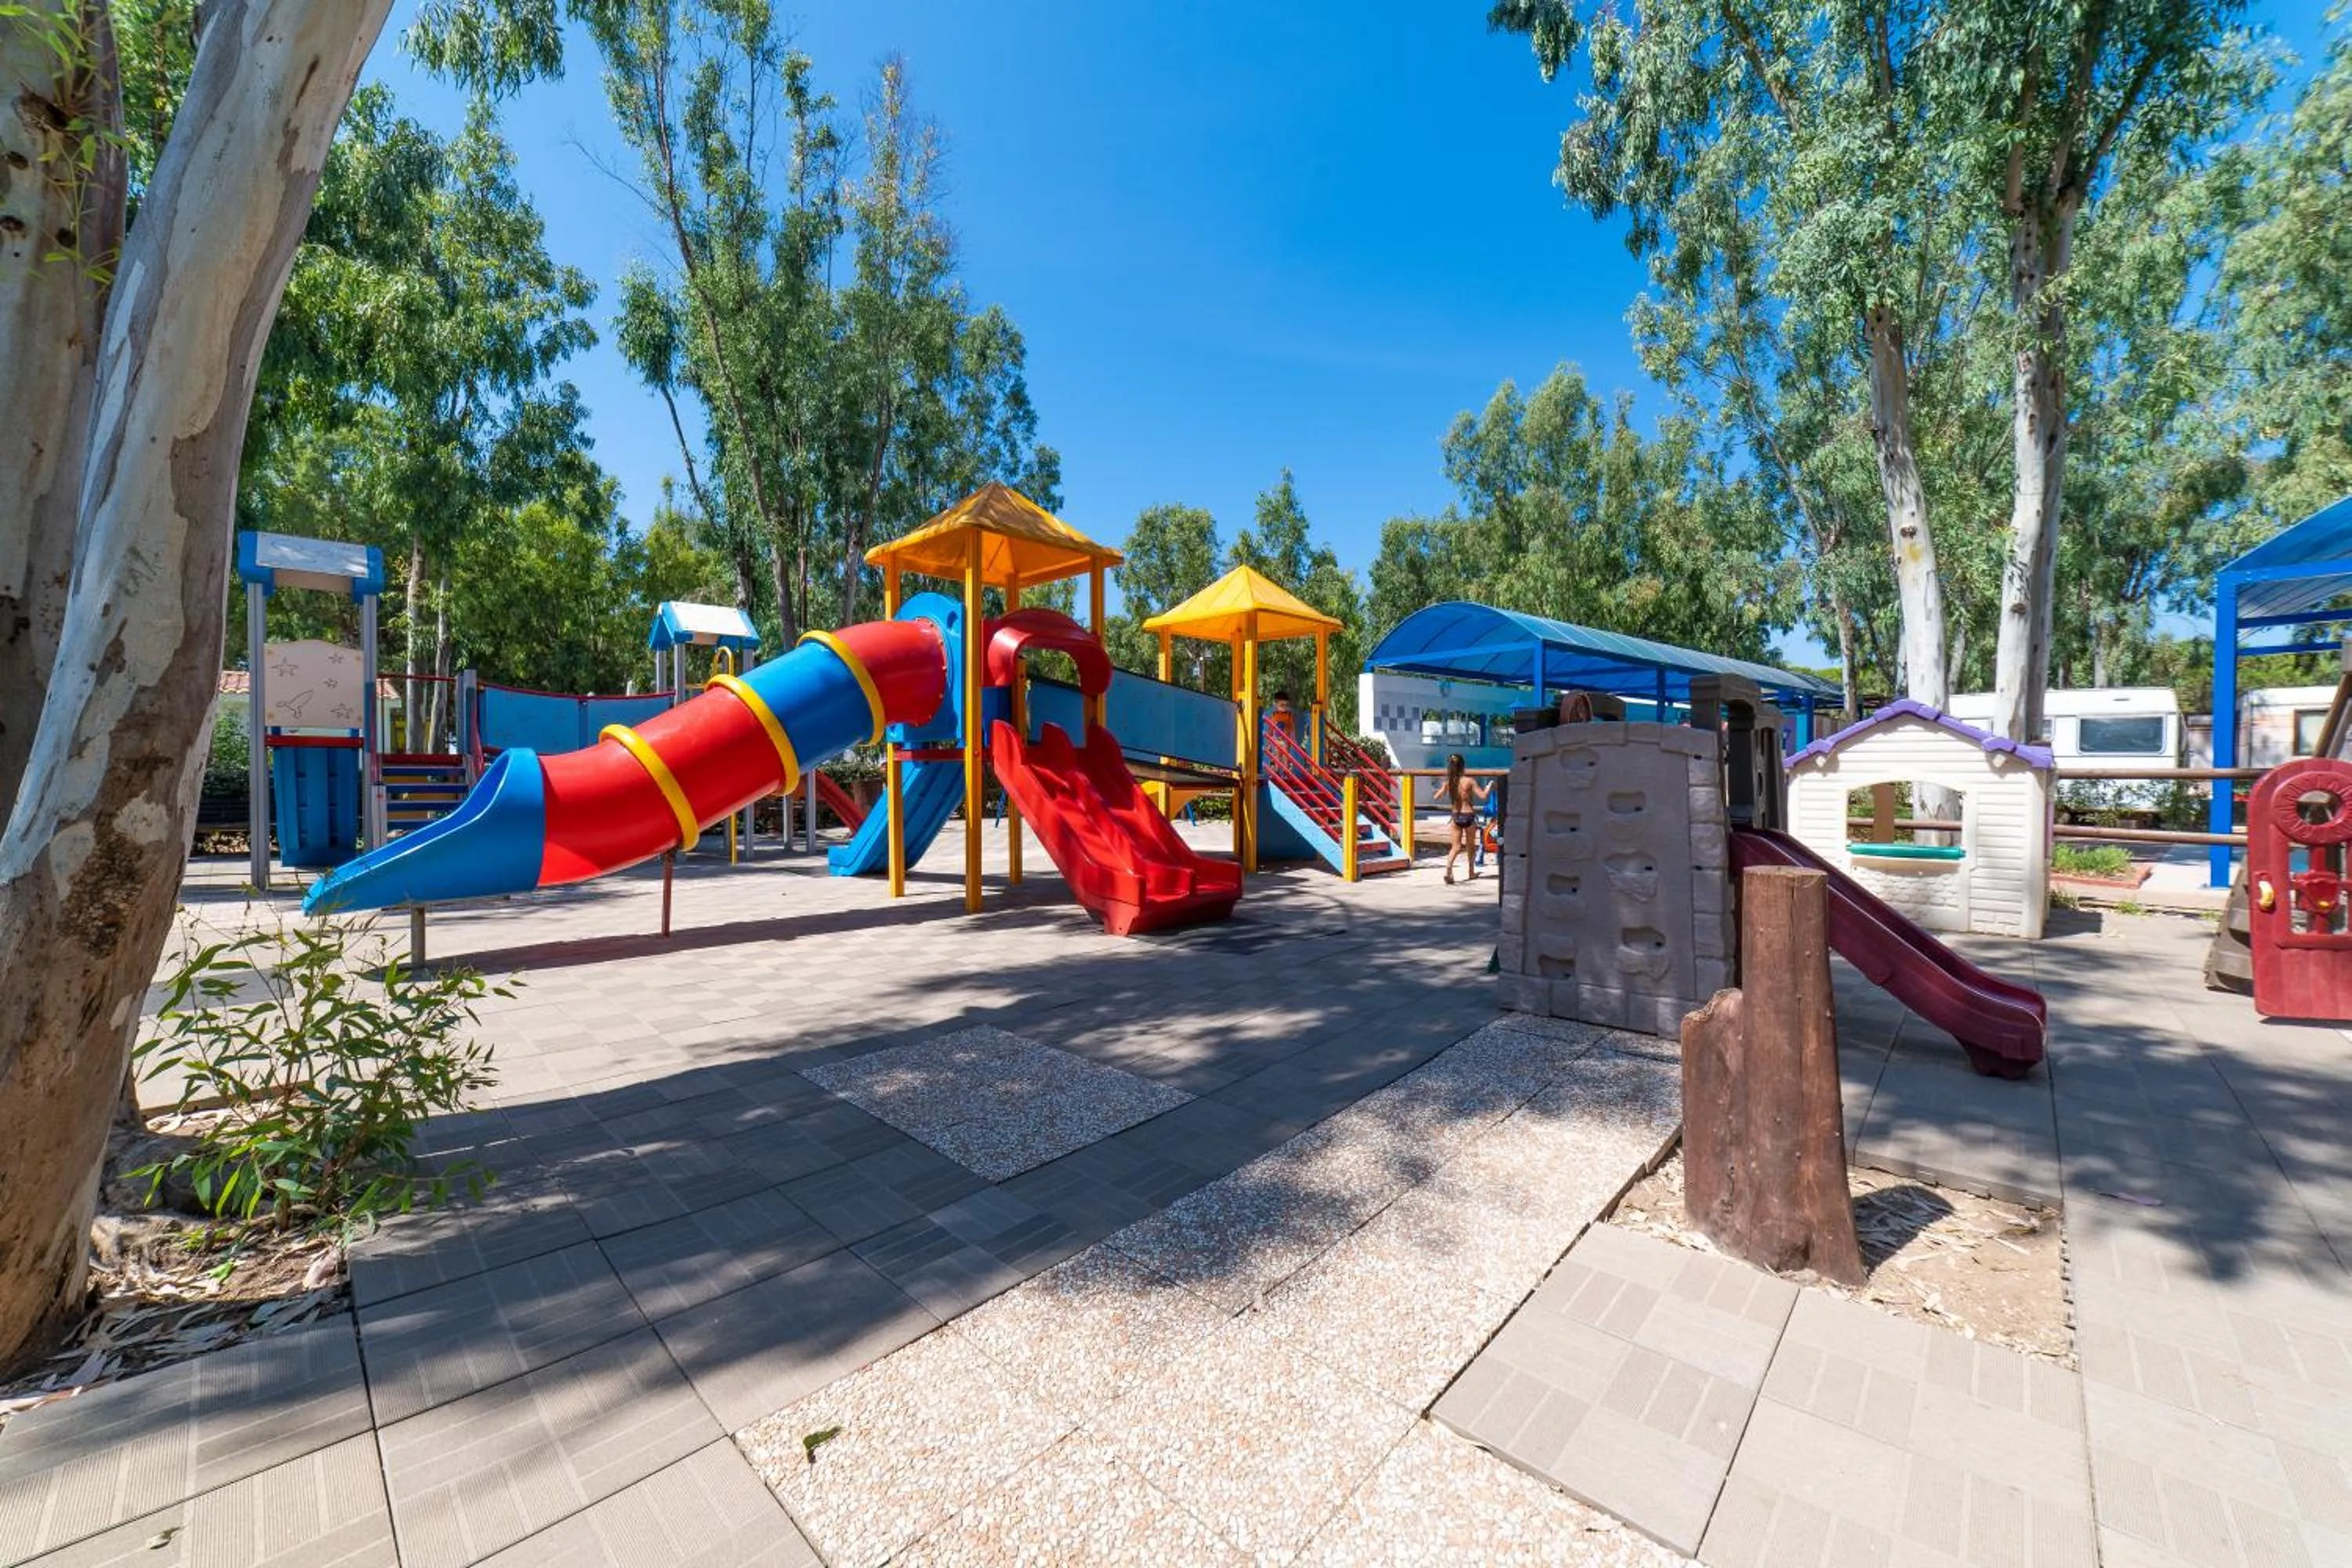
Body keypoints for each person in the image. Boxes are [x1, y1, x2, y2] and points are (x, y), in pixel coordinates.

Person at [1442, 753, 1492, 885]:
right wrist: (1489, 788)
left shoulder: (1449, 782)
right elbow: (1483, 796)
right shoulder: (1470, 781)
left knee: (1456, 847)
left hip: (1456, 817)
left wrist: (1442, 789)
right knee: (1470, 846)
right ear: (1463, 766)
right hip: (1468, 816)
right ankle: (1471, 872)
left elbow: (1437, 797)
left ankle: (1448, 870)